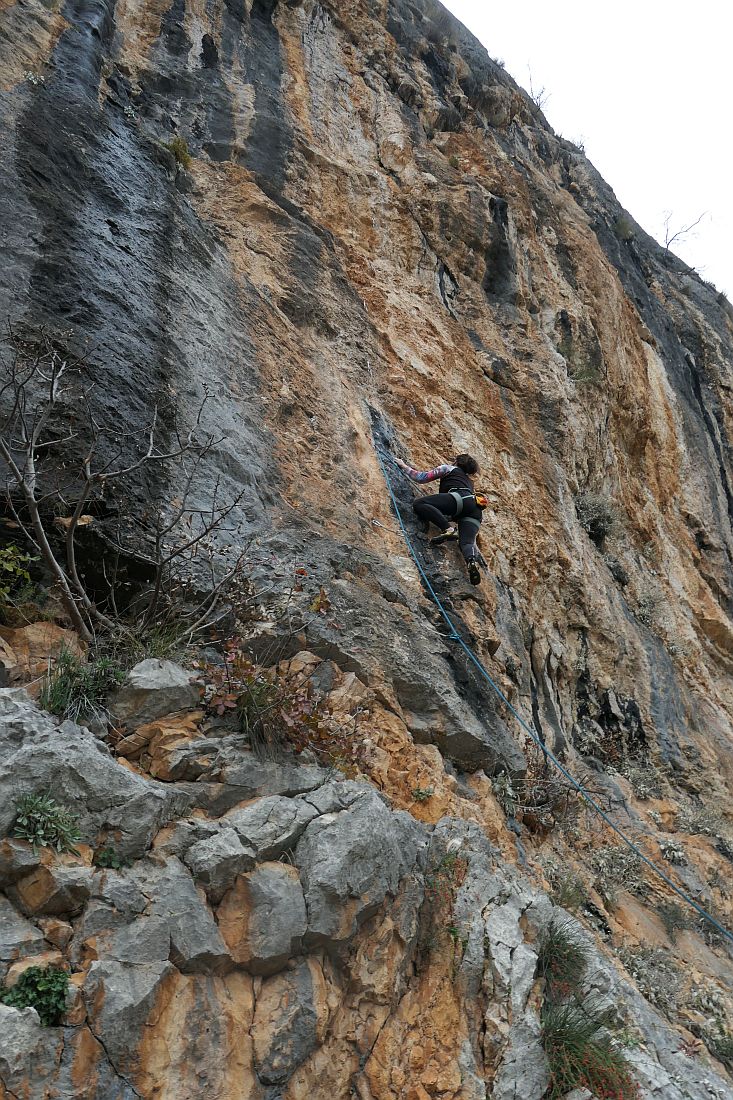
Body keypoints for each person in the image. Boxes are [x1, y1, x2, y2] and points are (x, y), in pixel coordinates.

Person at [394, 452, 485, 585]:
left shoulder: (448, 468)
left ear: (457, 462)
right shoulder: (469, 483)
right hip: (475, 510)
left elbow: (422, 477)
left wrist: (403, 466)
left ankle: (448, 529)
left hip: (459, 500)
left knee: (420, 504)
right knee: (466, 543)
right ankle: (471, 560)